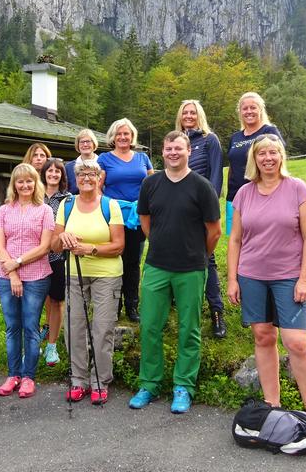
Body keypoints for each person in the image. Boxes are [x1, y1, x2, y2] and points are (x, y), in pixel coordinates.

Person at [226, 134, 306, 448]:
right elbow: (235, 240)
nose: (268, 158)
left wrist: (304, 279)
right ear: (254, 159)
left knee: (296, 342)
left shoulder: (298, 189)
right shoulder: (244, 193)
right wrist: (232, 279)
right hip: (252, 275)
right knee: (263, 335)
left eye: (273, 152)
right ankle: (272, 408)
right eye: (262, 154)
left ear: (281, 156)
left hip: (289, 276)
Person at [129, 131, 221, 414]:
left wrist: (197, 254)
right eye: (168, 148)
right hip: (157, 266)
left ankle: (183, 386)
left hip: (191, 269)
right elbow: (145, 221)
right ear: (163, 152)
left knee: (188, 329)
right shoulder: (151, 184)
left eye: (178, 148)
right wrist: (160, 242)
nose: (172, 153)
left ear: (188, 151)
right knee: (150, 326)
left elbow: (214, 231)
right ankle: (149, 383)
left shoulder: (202, 187)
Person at [51, 160, 125, 405]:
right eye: (81, 173)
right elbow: (53, 245)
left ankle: (100, 381)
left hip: (107, 274)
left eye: (91, 173)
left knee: (102, 329)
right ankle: (78, 379)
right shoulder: (66, 205)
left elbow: (118, 245)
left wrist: (90, 248)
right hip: (73, 272)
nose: (86, 178)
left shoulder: (110, 205)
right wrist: (63, 236)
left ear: (100, 177)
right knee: (74, 327)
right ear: (75, 178)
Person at [0, 163, 54, 399]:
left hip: (36, 276)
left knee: (30, 328)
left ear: (35, 183)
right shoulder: (4, 210)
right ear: (14, 185)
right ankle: (13, 375)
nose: (25, 185)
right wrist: (11, 273)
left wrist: (17, 262)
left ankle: (29, 376)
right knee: (12, 328)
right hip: (6, 277)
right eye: (20, 181)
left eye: (29, 180)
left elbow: (44, 246)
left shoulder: (44, 210)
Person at [176, 99, 226, 338]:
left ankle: (217, 312)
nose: (188, 115)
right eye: (184, 112)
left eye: (192, 112)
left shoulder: (210, 140)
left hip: (201, 210)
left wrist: (209, 208)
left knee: (208, 258)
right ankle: (182, 307)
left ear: (199, 115)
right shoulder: (177, 142)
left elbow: (216, 176)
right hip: (178, 211)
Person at [98, 118, 153, 322]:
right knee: (114, 259)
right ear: (113, 137)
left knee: (133, 262)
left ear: (132, 137)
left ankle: (132, 305)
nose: (123, 137)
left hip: (137, 216)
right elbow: (98, 187)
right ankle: (114, 305)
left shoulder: (142, 158)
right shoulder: (104, 159)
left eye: (126, 134)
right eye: (119, 134)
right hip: (114, 215)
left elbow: (151, 184)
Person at [226, 92, 284, 234]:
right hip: (235, 196)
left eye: (253, 107)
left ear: (260, 110)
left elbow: (279, 161)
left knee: (263, 238)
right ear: (240, 112)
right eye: (245, 108)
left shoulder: (269, 131)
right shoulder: (235, 137)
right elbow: (232, 166)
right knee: (237, 239)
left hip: (262, 195)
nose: (249, 111)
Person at [40, 158, 71, 366]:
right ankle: (34, 344)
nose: (53, 174)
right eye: (49, 171)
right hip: (35, 256)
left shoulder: (68, 198)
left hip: (58, 257)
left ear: (62, 175)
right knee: (37, 301)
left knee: (57, 300)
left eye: (57, 171)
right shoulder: (34, 194)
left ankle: (51, 346)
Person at [65, 129, 100, 194]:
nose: (85, 144)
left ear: (94, 143)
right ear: (77, 145)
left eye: (88, 141)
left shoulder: (103, 164)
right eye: (82, 142)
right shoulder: (69, 167)